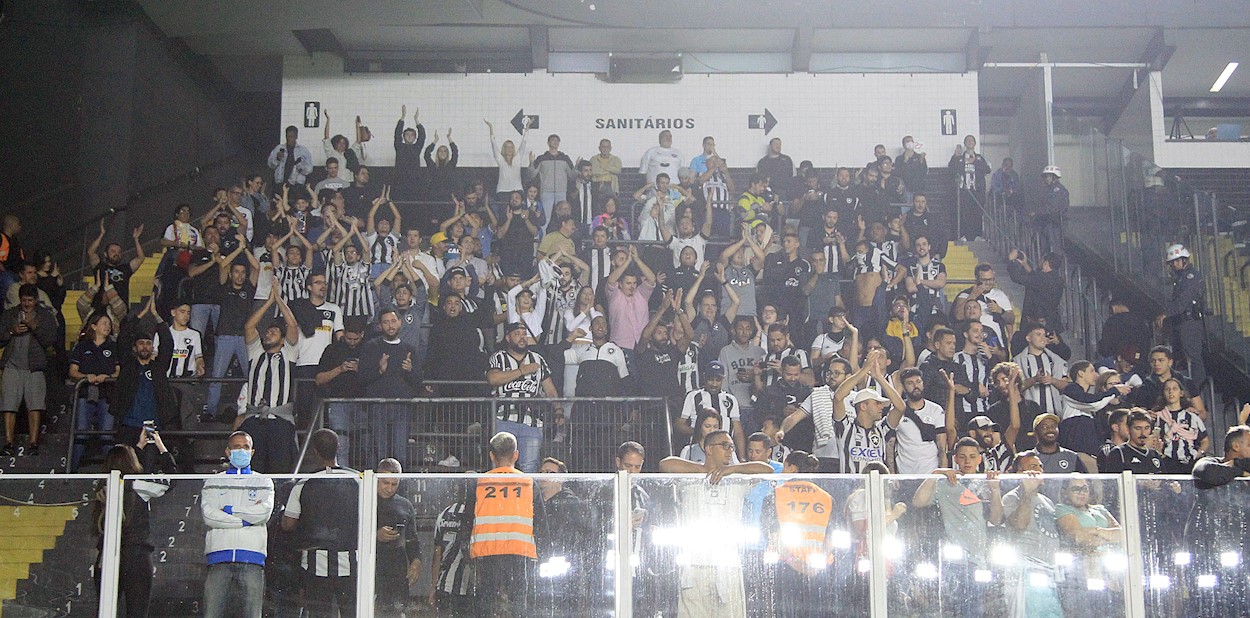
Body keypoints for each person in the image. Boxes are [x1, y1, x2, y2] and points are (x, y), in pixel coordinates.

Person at [659, 430, 774, 617]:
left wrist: (731, 470)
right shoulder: (689, 477)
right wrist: (704, 471)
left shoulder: (738, 479)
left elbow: (766, 469)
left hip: (727, 564)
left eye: (732, 447)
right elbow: (665, 464)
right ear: (708, 449)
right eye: (725, 445)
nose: (729, 450)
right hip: (695, 564)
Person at [911, 437, 1003, 618]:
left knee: (976, 610)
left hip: (979, 559)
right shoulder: (945, 484)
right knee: (955, 609)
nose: (967, 461)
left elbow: (996, 519)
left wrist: (995, 490)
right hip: (954, 560)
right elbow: (918, 502)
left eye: (972, 456)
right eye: (962, 456)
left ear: (979, 458)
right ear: (955, 459)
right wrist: (935, 473)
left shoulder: (986, 482)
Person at [91, 436, 176, 617]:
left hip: (106, 556)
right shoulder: (139, 484)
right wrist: (161, 447)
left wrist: (137, 447)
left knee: (105, 611)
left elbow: (121, 470)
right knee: (137, 612)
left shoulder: (102, 488)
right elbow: (171, 480)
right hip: (136, 557)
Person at [281, 428, 360, 618]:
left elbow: (288, 524)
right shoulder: (358, 480)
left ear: (314, 451)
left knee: (319, 614)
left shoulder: (303, 483)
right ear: (338, 447)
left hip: (314, 564)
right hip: (350, 562)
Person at [467, 432, 544, 617]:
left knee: (485, 607)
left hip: (486, 554)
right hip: (519, 554)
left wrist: (467, 552)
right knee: (519, 608)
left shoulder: (480, 483)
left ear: (491, 456)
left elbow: (467, 521)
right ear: (516, 455)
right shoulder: (528, 483)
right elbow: (540, 523)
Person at [201, 430, 275, 618]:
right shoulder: (214, 481)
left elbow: (263, 513)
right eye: (236, 447)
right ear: (228, 452)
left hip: (253, 558)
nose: (241, 451)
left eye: (246, 447)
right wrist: (246, 519)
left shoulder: (263, 481)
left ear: (252, 452)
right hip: (218, 557)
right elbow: (209, 516)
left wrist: (229, 510)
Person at [235, 284, 301, 473]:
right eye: (267, 332)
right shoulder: (256, 353)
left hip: (280, 420)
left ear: (282, 340)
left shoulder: (288, 354)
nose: (268, 333)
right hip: (255, 419)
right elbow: (249, 326)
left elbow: (292, 325)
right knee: (254, 467)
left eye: (274, 332)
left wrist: (278, 300)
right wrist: (268, 302)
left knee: (280, 467)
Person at [1189, 415, 1250, 617]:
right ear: (1235, 447)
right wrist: (1240, 470)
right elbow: (1206, 473)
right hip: (1209, 550)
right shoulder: (1210, 462)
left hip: (1243, 551)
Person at [486, 322, 563, 473]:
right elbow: (493, 378)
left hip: (532, 421)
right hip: (504, 419)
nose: (522, 337)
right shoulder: (499, 357)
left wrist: (558, 409)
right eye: (517, 334)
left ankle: (527, 490)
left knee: (530, 466)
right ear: (508, 337)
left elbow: (550, 389)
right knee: (502, 466)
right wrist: (522, 371)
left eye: (524, 334)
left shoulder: (537, 359)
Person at [998, 453, 1062, 616]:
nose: (1039, 471)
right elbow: (1020, 524)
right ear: (1020, 473)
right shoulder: (1011, 497)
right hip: (1026, 569)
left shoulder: (1047, 501)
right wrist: (1027, 492)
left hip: (1049, 570)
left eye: (1040, 467)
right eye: (1033, 467)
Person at [358, 308, 422, 467]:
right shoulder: (371, 347)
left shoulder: (410, 349)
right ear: (380, 326)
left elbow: (418, 381)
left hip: (402, 407)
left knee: (400, 454)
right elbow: (362, 378)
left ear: (400, 322)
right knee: (379, 453)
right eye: (386, 322)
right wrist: (379, 370)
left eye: (393, 321)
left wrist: (410, 370)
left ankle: (399, 482)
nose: (390, 325)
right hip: (377, 406)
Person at [0, 284, 59, 456]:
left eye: (30, 300)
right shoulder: (10, 314)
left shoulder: (45, 316)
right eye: (24, 300)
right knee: (8, 405)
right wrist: (12, 331)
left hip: (35, 367)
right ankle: (8, 443)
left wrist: (35, 327)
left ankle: (33, 443)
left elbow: (51, 340)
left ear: (36, 300)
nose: (27, 304)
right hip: (11, 365)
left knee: (35, 406)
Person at [1054, 476, 1123, 617]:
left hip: (1109, 570)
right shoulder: (1062, 509)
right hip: (1080, 571)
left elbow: (1122, 534)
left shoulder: (1100, 509)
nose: (1082, 492)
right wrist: (1108, 537)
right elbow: (1079, 537)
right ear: (1065, 492)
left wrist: (1096, 530)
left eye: (1085, 488)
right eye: (1076, 489)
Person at [69, 314, 120, 472]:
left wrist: (108, 377)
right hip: (85, 395)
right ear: (94, 326)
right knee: (81, 433)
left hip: (107, 395)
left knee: (106, 435)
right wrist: (86, 377)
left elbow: (118, 371)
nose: (107, 326)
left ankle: (111, 473)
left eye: (109, 324)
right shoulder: (82, 346)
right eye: (104, 323)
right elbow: (73, 371)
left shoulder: (113, 347)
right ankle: (71, 472)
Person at [1155, 244, 1207, 389]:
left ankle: (1196, 390)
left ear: (1185, 260)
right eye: (1172, 262)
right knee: (1179, 356)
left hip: (1190, 322)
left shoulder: (1191, 276)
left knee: (1193, 357)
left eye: (1177, 261)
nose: (1174, 264)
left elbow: (1183, 301)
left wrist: (1166, 314)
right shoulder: (1180, 277)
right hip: (1180, 322)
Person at [374, 458, 421, 616]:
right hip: (372, 569)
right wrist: (375, 535)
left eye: (394, 484)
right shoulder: (365, 500)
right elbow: (351, 532)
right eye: (385, 483)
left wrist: (416, 561)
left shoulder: (405, 505)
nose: (389, 488)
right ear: (377, 478)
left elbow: (412, 539)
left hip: (397, 571)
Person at [429, 480, 474, 617]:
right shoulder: (480, 513)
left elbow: (437, 553)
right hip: (470, 587)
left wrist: (433, 586)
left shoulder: (444, 514)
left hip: (445, 584)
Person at [1153, 377, 1209, 473]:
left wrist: (1198, 454)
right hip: (1167, 465)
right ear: (1163, 393)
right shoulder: (1158, 417)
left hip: (1190, 463)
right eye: (1167, 389)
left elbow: (1205, 441)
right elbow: (1154, 441)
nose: (1171, 392)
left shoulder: (1192, 417)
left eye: (1174, 389)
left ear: (1181, 393)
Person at [87, 220, 145, 309]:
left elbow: (140, 258)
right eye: (113, 251)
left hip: (120, 311)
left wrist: (136, 239)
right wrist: (101, 234)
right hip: (100, 309)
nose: (116, 254)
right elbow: (91, 252)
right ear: (105, 254)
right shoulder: (100, 266)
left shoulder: (125, 269)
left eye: (119, 252)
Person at [1007, 250, 1065, 333]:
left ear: (1046, 263)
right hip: (1051, 322)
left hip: (1037, 325)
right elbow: (1036, 281)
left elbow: (1017, 277)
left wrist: (1011, 260)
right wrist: (1025, 265)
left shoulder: (1041, 278)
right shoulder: (1058, 280)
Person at [1017, 413, 1095, 475]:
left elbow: (1085, 484)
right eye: (1044, 427)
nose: (1050, 429)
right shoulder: (1027, 458)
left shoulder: (1072, 457)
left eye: (1053, 426)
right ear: (1036, 432)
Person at [946, 134, 991, 240]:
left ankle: (977, 235)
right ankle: (963, 235)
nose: (970, 142)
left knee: (977, 214)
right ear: (965, 143)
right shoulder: (960, 158)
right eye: (968, 140)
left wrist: (974, 162)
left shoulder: (979, 158)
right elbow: (951, 169)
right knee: (964, 214)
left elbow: (987, 170)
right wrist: (955, 156)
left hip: (977, 191)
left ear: (975, 143)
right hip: (964, 192)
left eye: (972, 140)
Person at [1028, 165, 1068, 255]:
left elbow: (1053, 207)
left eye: (1049, 176)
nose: (1046, 179)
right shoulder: (1047, 189)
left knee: (1055, 248)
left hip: (1055, 223)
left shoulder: (1058, 190)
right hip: (1046, 222)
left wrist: (1037, 212)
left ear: (1054, 177)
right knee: (1044, 248)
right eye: (1045, 176)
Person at [531, 134, 576, 209]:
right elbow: (532, 175)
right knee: (546, 215)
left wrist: (576, 166)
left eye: (557, 140)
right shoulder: (541, 158)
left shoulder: (565, 158)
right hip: (546, 192)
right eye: (553, 140)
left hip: (561, 191)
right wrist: (531, 163)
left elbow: (571, 175)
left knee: (562, 213)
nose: (555, 142)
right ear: (548, 143)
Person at [392, 105, 427, 200]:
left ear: (415, 137)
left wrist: (416, 120)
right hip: (400, 181)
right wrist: (403, 117)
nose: (409, 136)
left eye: (412, 135)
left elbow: (422, 136)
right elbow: (397, 134)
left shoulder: (417, 147)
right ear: (403, 137)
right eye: (407, 134)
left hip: (414, 182)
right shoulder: (399, 146)